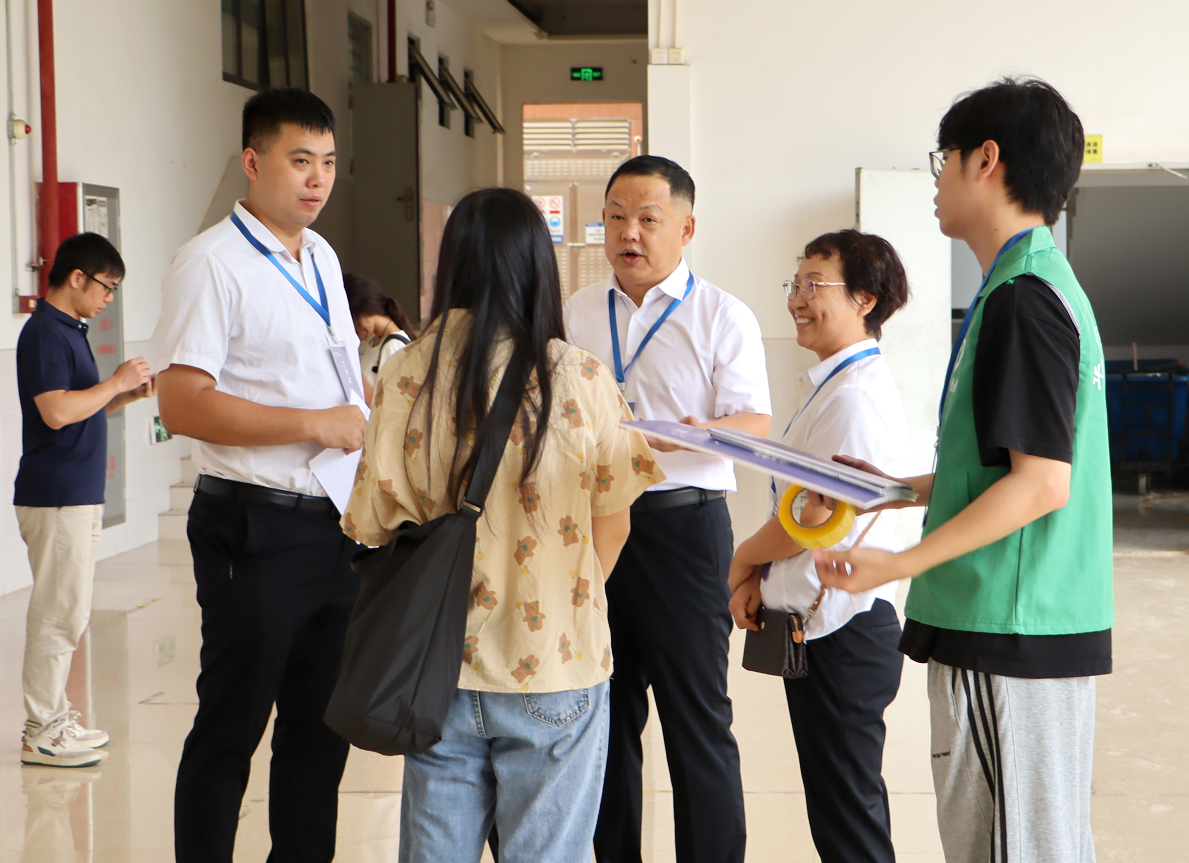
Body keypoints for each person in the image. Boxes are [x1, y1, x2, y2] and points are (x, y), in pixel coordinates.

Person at [813, 78, 1111, 863]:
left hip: (1006, 626)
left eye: (941, 160)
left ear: (985, 160)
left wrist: (899, 561)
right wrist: (896, 489)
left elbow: (1042, 483)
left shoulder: (1023, 298)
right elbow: (1004, 466)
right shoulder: (1034, 284)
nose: (937, 180)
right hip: (1024, 620)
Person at [342, 187, 663, 862]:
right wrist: (558, 599)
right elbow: (614, 527)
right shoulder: (580, 377)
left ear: (452, 263)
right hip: (557, 663)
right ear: (537, 266)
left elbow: (371, 522)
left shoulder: (406, 374)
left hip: (436, 669)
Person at [155, 87, 367, 863]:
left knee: (320, 730)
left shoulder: (323, 257)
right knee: (231, 726)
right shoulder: (211, 262)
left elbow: (338, 378)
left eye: (329, 163)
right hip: (254, 524)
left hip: (333, 524)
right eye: (300, 160)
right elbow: (182, 403)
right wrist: (313, 423)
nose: (318, 179)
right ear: (252, 161)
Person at [564, 155, 771, 863]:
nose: (630, 233)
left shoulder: (721, 314)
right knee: (603, 715)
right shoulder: (576, 312)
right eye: (616, 217)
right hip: (595, 526)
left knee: (696, 720)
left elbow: (754, 424)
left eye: (648, 219)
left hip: (685, 527)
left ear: (686, 228)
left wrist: (680, 436)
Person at [726, 230, 911, 862]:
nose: (797, 300)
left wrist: (744, 560)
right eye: (795, 284)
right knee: (839, 815)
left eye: (815, 285)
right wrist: (763, 578)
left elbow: (812, 521)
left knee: (849, 822)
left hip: (844, 634)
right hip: (826, 626)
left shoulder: (853, 397)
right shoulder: (837, 385)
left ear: (865, 299)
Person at [15, 231, 154, 768]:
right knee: (57, 614)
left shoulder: (69, 330)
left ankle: (53, 718)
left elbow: (80, 408)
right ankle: (42, 730)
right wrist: (115, 381)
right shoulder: (46, 333)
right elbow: (55, 412)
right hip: (57, 494)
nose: (108, 299)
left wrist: (124, 394)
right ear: (77, 277)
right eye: (106, 287)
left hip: (75, 492)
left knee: (68, 612)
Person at [344, 272, 415, 392]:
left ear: (362, 310)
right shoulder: (373, 341)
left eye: (353, 321)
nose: (354, 329)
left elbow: (391, 397)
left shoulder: (394, 346)